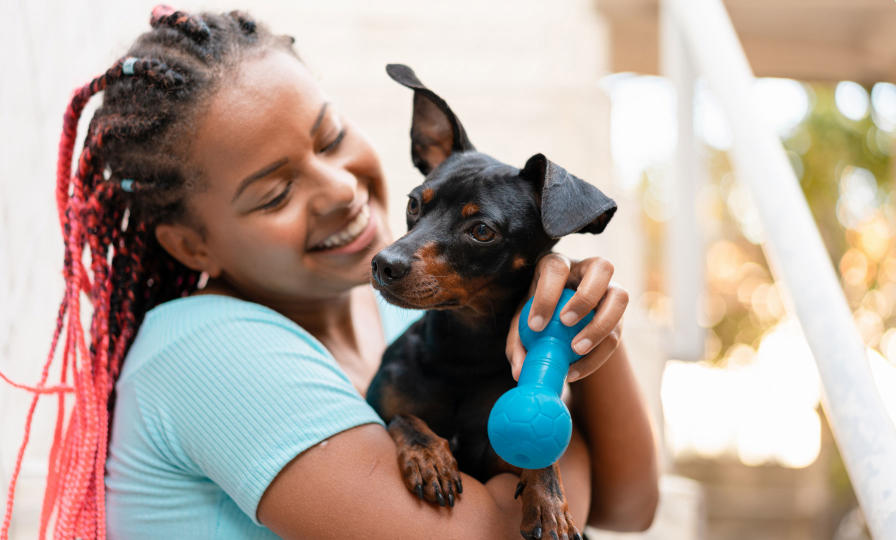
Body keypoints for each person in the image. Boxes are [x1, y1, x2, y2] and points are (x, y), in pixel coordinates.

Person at [1, 6, 658, 539]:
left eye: (330, 136)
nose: (340, 189)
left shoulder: (411, 311)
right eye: (274, 193)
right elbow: (488, 536)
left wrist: (571, 333)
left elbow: (630, 509)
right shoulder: (208, 351)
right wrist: (545, 429)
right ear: (193, 246)